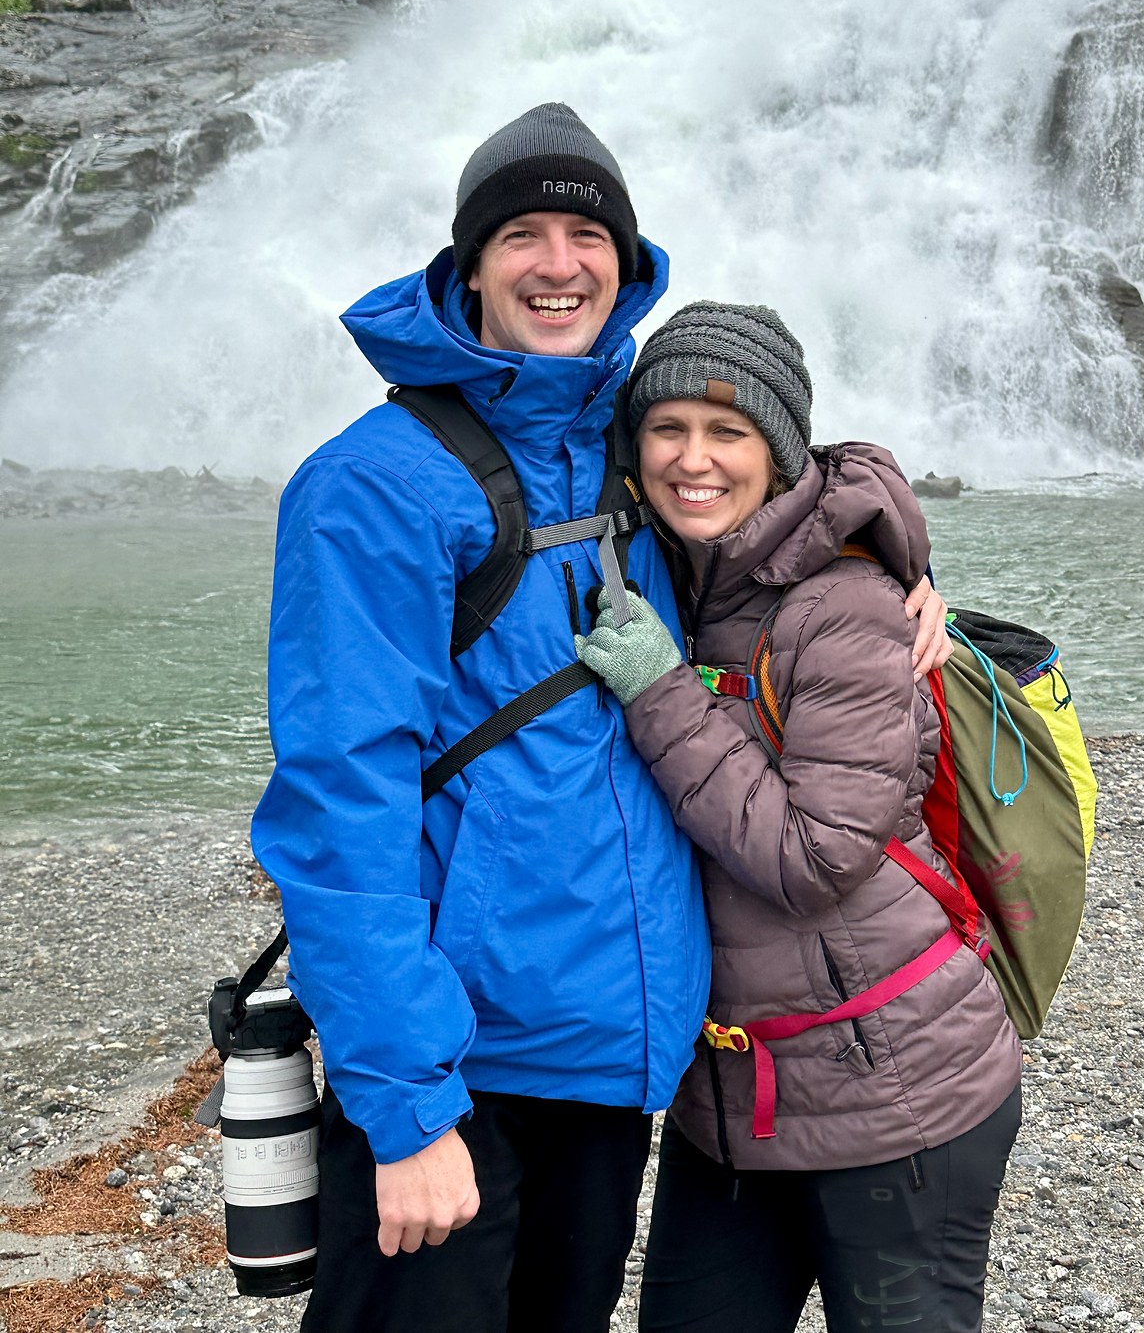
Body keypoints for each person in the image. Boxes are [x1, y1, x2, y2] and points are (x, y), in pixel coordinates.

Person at [252, 107, 951, 1333]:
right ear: (468, 265)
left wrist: (890, 560)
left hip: (613, 1050)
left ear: (627, 266)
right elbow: (335, 815)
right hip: (460, 1058)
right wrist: (406, 1107)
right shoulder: (374, 487)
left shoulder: (624, 440)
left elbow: (776, 481)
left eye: (588, 233)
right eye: (521, 233)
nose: (558, 261)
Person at [575, 301, 1023, 1333]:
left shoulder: (848, 607)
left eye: (727, 433)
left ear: (777, 456)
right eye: (667, 429)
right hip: (731, 1099)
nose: (693, 459)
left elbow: (812, 858)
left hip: (897, 1093)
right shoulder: (663, 572)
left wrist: (657, 691)